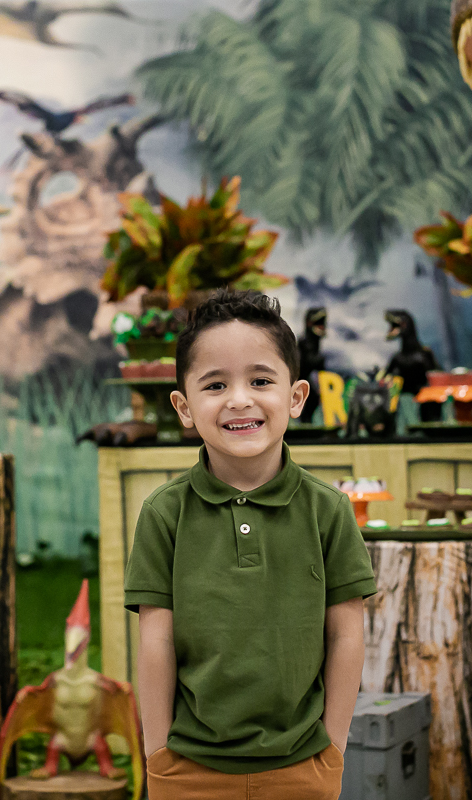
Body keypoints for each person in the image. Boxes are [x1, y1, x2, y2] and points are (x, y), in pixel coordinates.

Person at [124, 290, 377, 799]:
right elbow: (156, 642)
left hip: (303, 766)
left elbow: (347, 634)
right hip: (188, 769)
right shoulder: (164, 513)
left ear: (296, 397)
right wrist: (158, 756)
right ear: (184, 407)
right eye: (215, 384)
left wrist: (333, 748)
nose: (239, 399)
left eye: (260, 381)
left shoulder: (329, 510)